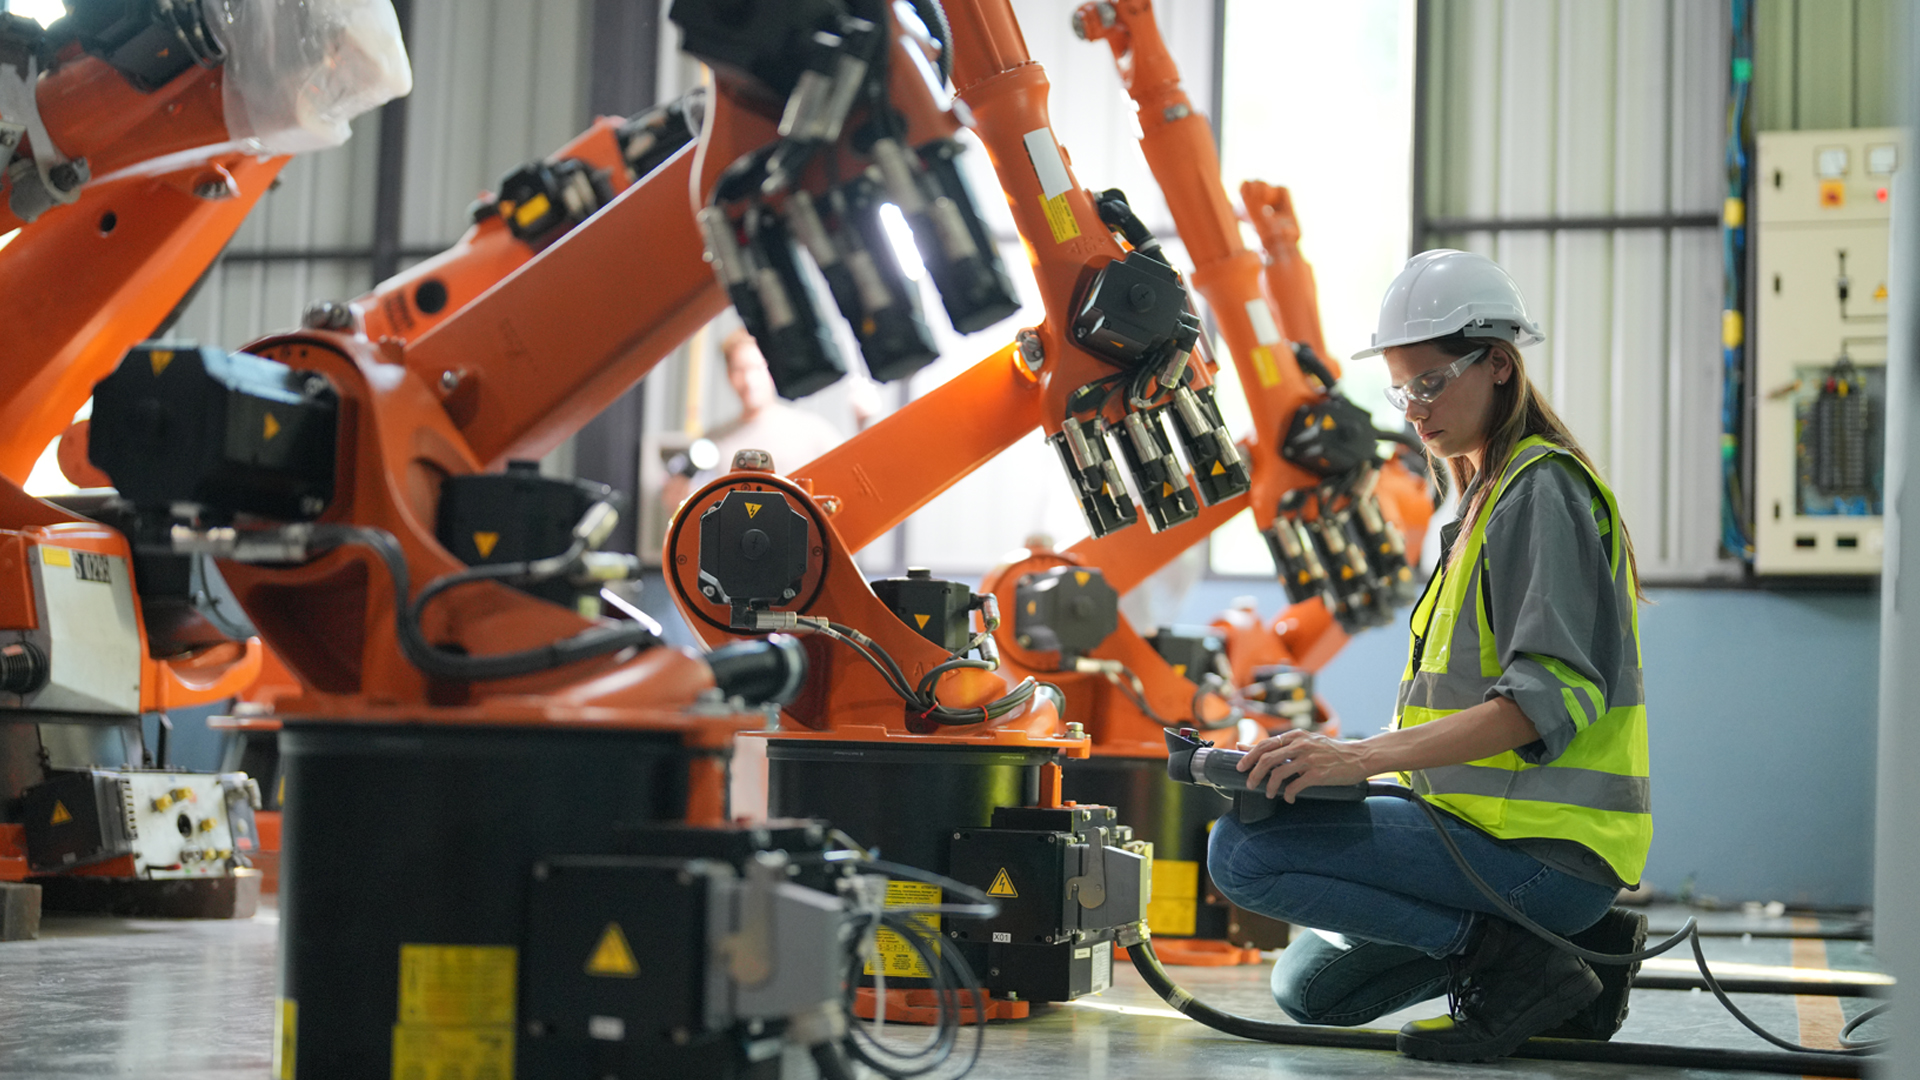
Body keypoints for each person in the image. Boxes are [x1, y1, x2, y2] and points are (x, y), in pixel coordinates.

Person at [1206, 249, 1652, 1063]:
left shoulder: (1539, 491)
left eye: (1431, 383)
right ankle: (1566, 957)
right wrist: (1340, 764)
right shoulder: (1482, 501)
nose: (1414, 409)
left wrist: (1356, 760)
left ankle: (1513, 958)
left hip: (1544, 852)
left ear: (1499, 365)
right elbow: (1455, 705)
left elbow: (1540, 702)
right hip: (1475, 831)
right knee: (1310, 987)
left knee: (1241, 852)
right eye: (1401, 389)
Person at [661, 326, 852, 510]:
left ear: (773, 369)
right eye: (739, 370)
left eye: (757, 367)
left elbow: (849, 481)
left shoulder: (813, 432)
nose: (749, 380)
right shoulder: (713, 441)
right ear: (729, 374)